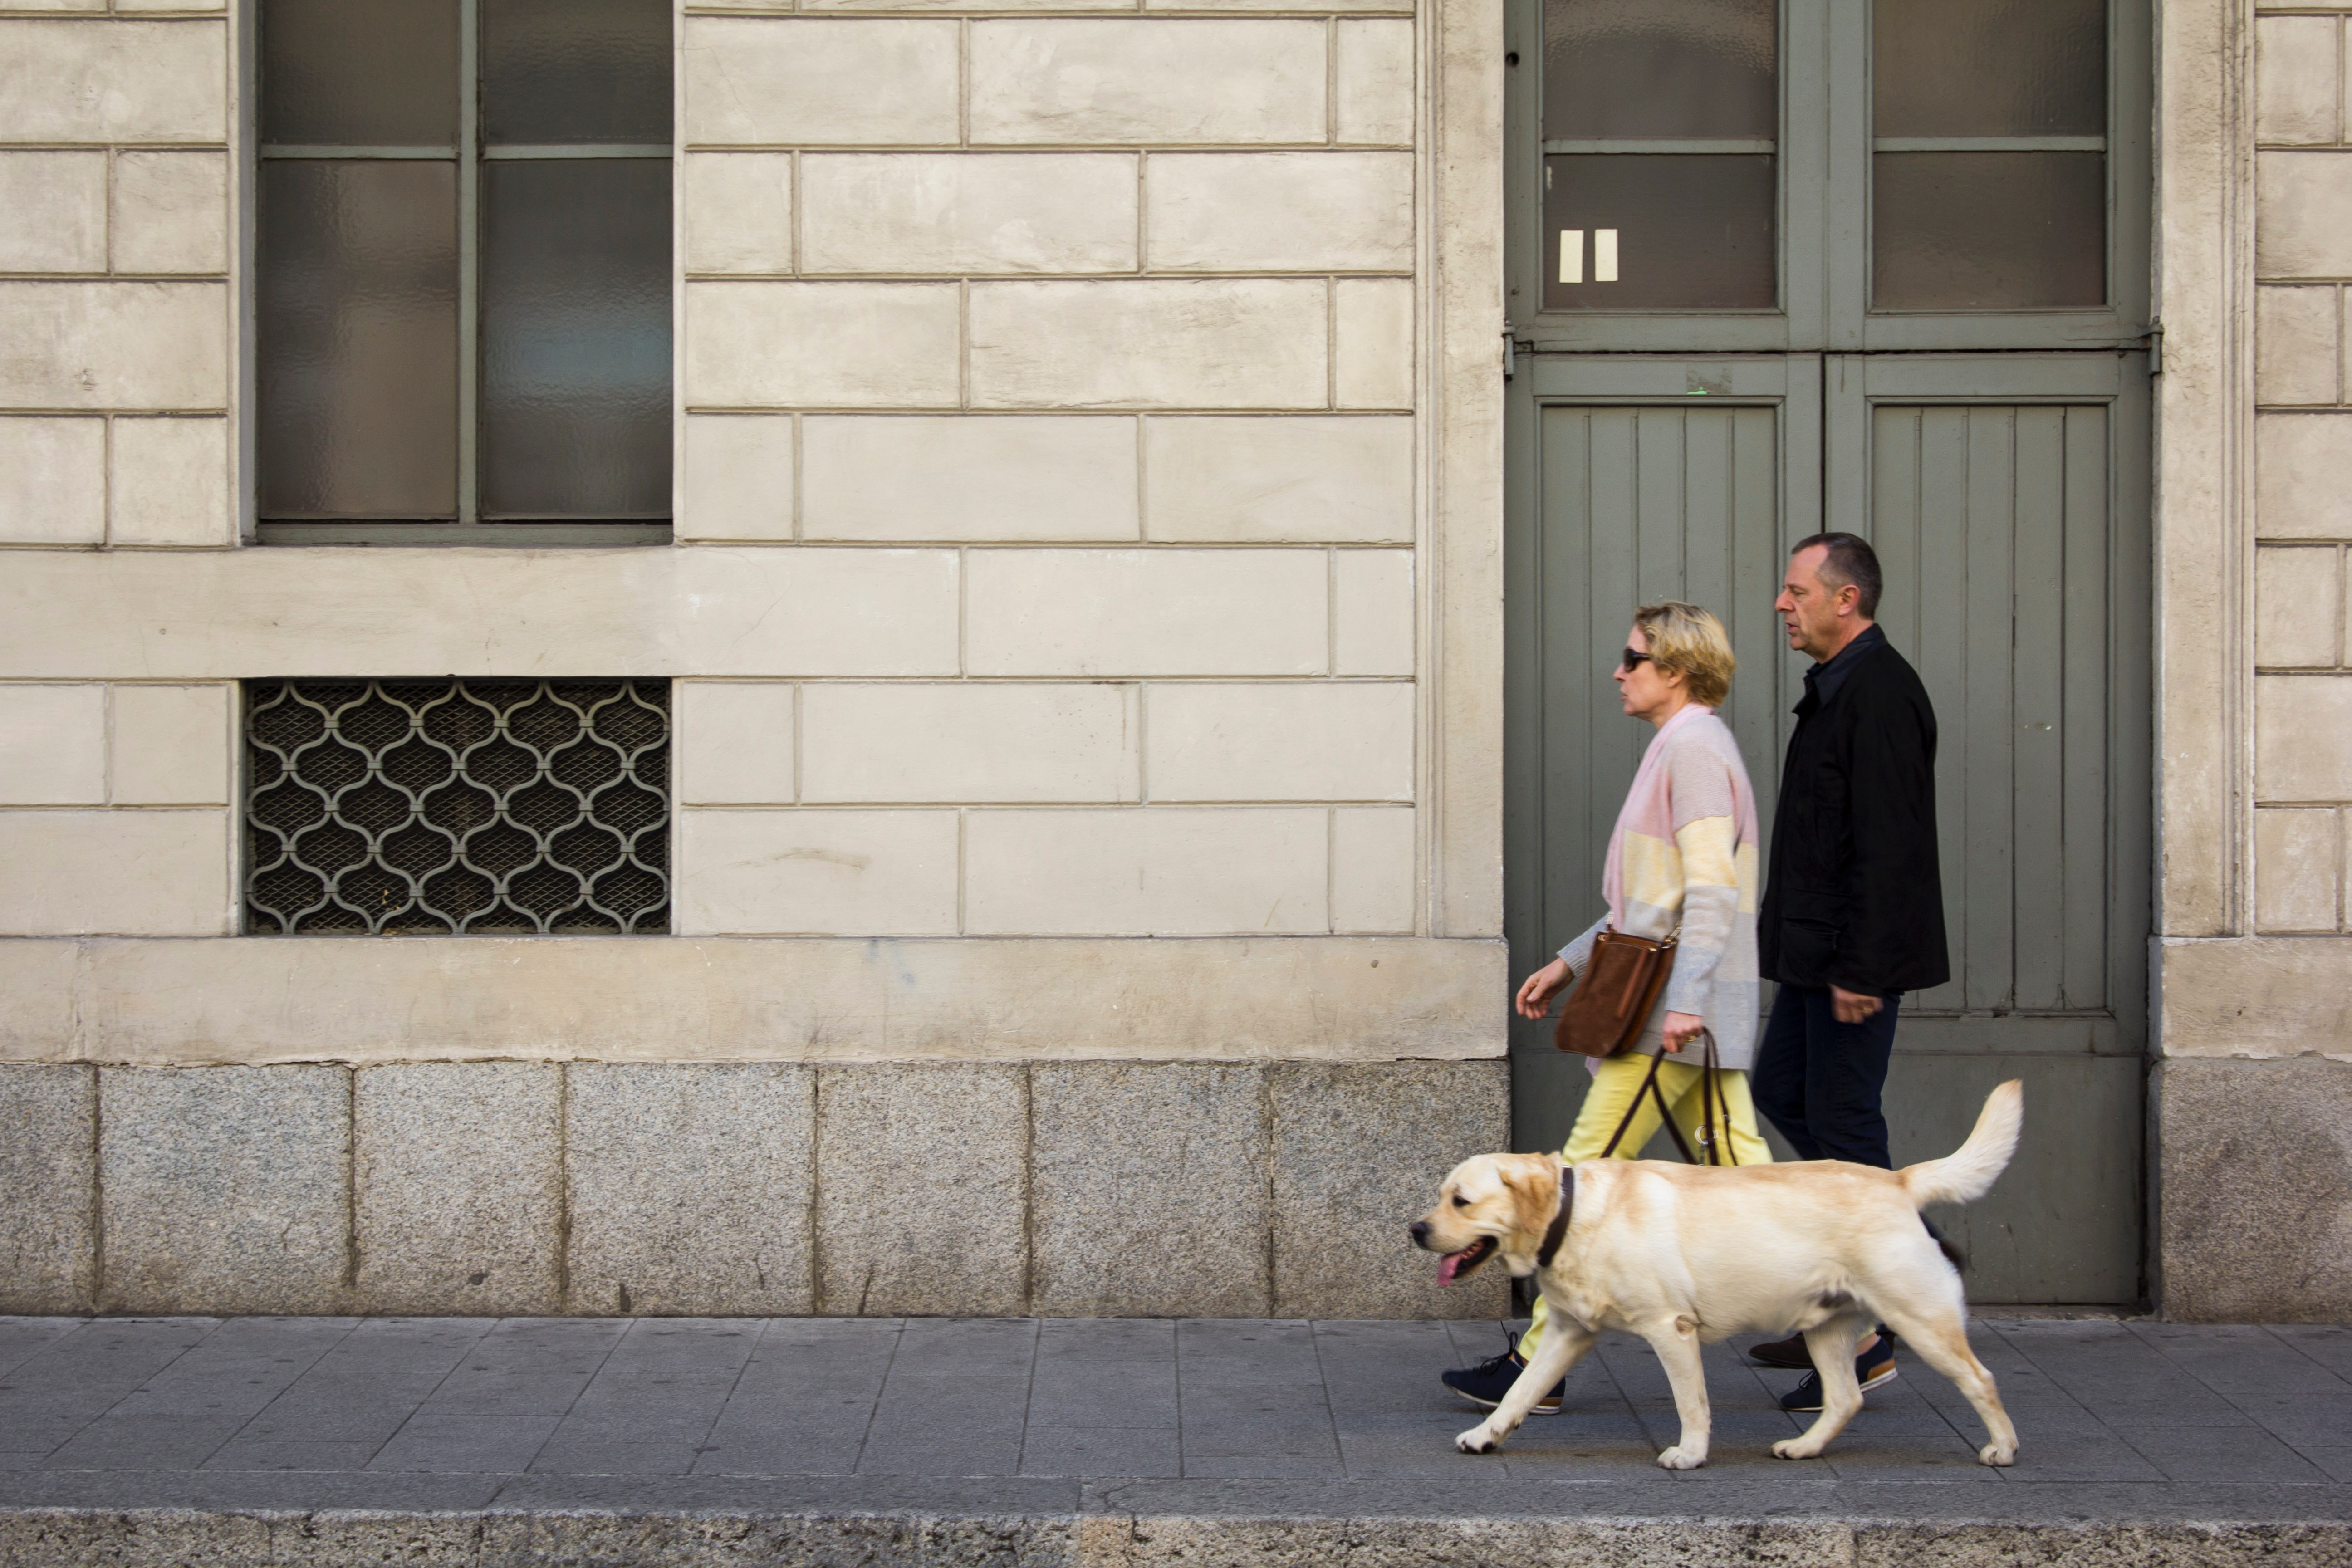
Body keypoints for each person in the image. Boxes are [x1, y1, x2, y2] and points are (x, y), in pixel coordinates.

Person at [1441, 602, 1772, 1415]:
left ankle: (1533, 1369)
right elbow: (1648, 902)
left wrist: (1687, 1002)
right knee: (1748, 1171)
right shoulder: (1685, 744)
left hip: (1670, 1013)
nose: (1619, 672)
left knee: (1579, 1177)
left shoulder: (1692, 748)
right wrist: (1569, 960)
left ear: (1679, 671)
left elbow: (1708, 892)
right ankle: (1857, 1321)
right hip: (1682, 1006)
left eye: (1634, 658)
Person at [1744, 532, 1949, 1414]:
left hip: (1850, 965)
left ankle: (1875, 1321)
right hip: (1814, 960)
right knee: (1786, 1091)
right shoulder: (1837, 692)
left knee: (1844, 1123)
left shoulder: (1881, 693)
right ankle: (1892, 1274)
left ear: (1846, 600)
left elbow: (1892, 845)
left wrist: (1865, 966)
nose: (1783, 606)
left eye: (1797, 592)